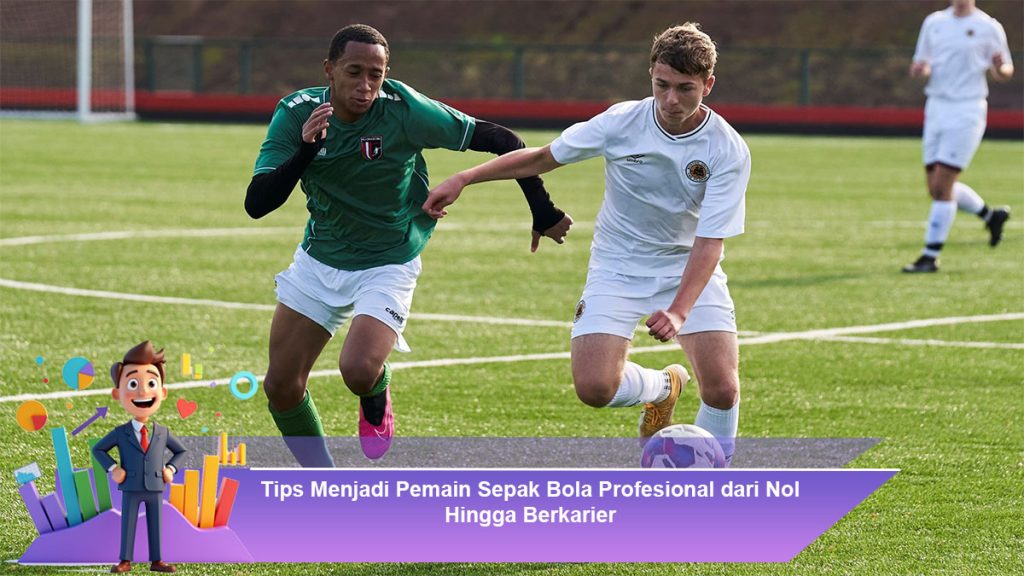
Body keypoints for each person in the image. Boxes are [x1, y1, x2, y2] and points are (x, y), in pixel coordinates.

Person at [246, 24, 572, 465]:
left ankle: (376, 391)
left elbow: (503, 141)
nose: (365, 86)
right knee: (281, 387)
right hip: (320, 260)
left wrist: (543, 210)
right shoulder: (296, 113)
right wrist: (305, 150)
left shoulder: (405, 109)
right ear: (329, 70)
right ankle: (324, 483)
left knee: (358, 370)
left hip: (389, 259)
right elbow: (257, 204)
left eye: (376, 75)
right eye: (354, 72)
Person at [425, 22, 749, 466]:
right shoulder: (621, 122)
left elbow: (710, 241)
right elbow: (544, 157)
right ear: (651, 75)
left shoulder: (726, 148)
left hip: (686, 264)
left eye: (685, 89)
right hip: (617, 265)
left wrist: (679, 310)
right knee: (595, 388)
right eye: (662, 85)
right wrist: (465, 177)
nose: (671, 100)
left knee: (722, 388)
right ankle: (662, 388)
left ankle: (715, 482)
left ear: (708, 85)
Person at [902, 0, 1014, 273]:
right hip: (936, 107)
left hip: (967, 109)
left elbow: (1006, 69)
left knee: (943, 185)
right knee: (935, 188)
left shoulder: (988, 26)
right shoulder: (934, 22)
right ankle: (991, 216)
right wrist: (920, 70)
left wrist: (999, 68)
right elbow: (923, 63)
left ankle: (930, 256)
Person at [93, 341, 186, 574]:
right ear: (117, 394)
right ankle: (125, 560)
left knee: (156, 523)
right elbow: (98, 450)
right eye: (133, 384)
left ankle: (157, 560)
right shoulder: (120, 432)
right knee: (129, 522)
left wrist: (171, 469)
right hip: (131, 485)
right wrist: (113, 468)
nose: (143, 392)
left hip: (155, 484)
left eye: (151, 383)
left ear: (162, 392)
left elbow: (181, 451)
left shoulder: (162, 432)